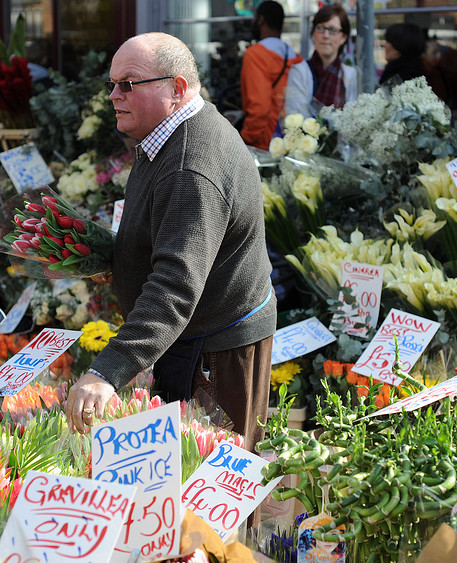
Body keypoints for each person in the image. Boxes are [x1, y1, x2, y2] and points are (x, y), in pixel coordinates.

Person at [65, 32, 277, 453]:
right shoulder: (169, 135)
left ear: (176, 88)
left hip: (216, 349)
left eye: (128, 84)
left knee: (205, 499)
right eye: (111, 84)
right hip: (198, 337)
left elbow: (176, 285)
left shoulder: (190, 166)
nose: (114, 95)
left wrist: (107, 372)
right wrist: (109, 254)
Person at [240, 0, 303, 150]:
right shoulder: (296, 57)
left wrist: (246, 139)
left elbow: (259, 107)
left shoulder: (255, 55)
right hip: (293, 140)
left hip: (265, 143)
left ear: (261, 20)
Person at [285, 4, 357, 118]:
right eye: (320, 28)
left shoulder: (351, 75)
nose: (326, 35)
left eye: (333, 30)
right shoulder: (299, 72)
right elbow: (294, 117)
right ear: (314, 33)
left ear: (343, 37)